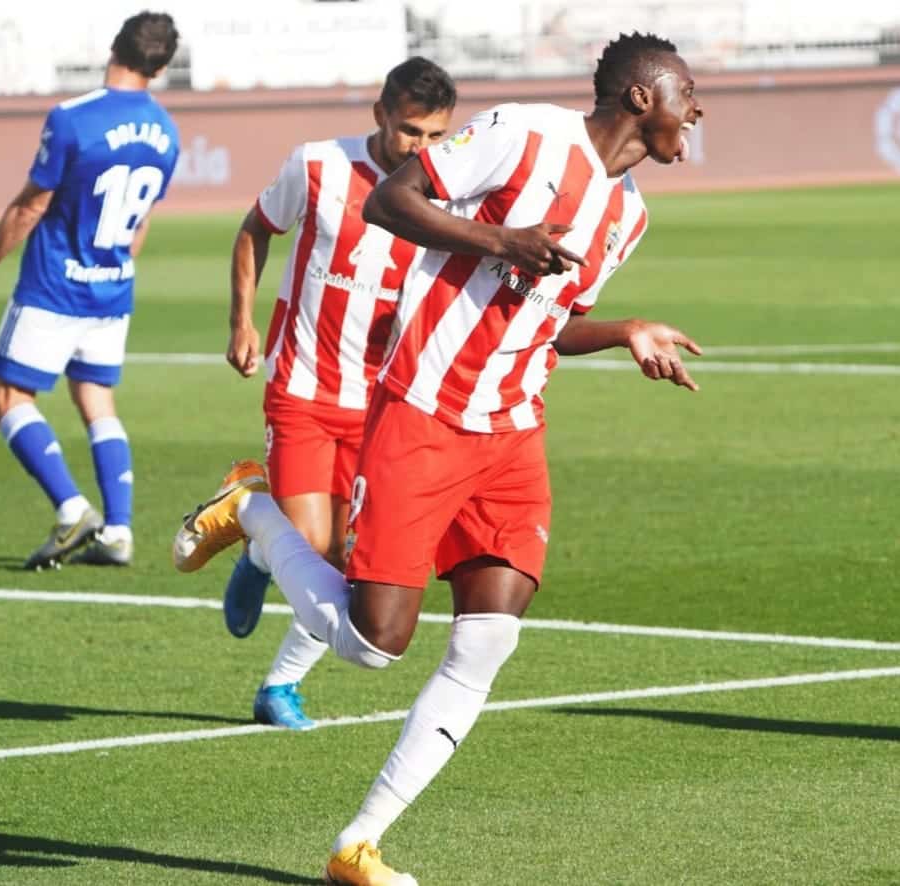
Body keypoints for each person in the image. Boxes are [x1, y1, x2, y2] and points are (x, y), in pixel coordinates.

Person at [174, 31, 703, 886]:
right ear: (641, 97)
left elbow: (550, 321)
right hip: (422, 410)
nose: (698, 108)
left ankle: (359, 846)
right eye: (687, 91)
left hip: (512, 430)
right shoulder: (525, 131)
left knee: (487, 643)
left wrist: (624, 331)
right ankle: (255, 512)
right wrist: (501, 241)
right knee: (375, 644)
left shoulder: (630, 213)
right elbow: (389, 200)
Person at [214, 58, 456, 730]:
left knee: (353, 566)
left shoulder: (452, 193)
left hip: (382, 406)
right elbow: (256, 228)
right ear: (381, 113)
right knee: (315, 547)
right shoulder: (318, 166)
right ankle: (257, 522)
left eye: (437, 135)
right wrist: (242, 321)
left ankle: (277, 678)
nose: (423, 149)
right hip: (301, 388)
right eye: (411, 131)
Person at [0, 12, 180, 570]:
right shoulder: (167, 132)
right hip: (113, 288)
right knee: (96, 399)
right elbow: (140, 222)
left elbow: (30, 205)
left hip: (54, 287)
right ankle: (119, 531)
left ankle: (73, 510)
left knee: (6, 400)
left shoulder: (73, 119)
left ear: (114, 46)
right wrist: (110, 271)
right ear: (162, 68)